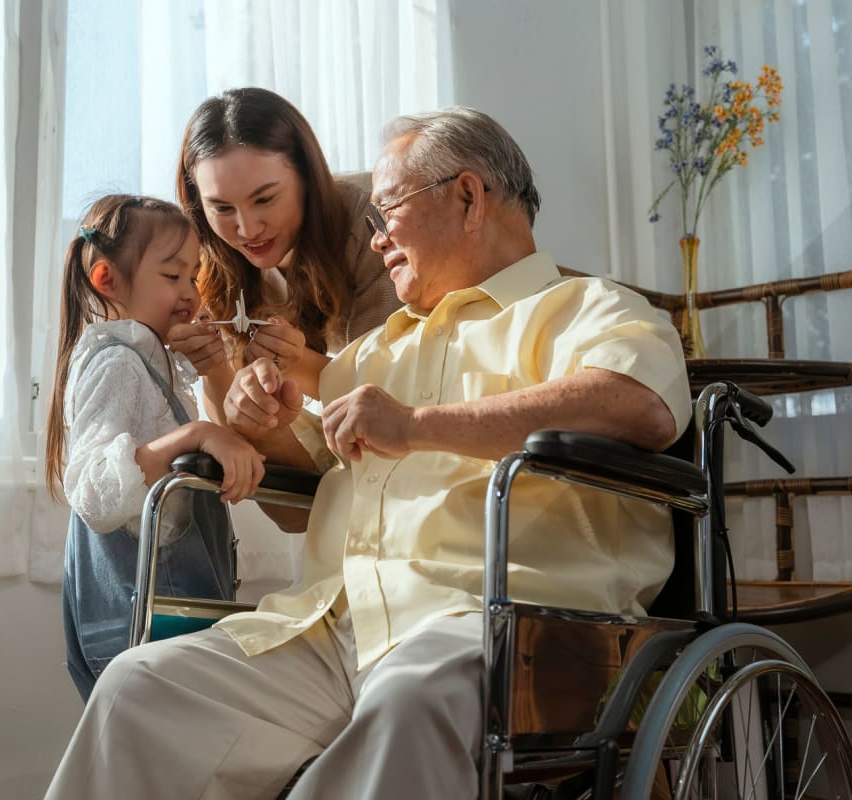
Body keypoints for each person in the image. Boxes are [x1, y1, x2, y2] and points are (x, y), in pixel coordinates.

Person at [44, 109, 691, 798]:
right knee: (139, 687)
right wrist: (253, 415)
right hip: (330, 627)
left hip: (494, 623)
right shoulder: (374, 353)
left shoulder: (589, 308)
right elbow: (301, 491)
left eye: (386, 214)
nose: (375, 239)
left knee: (409, 704)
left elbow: (637, 406)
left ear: (469, 197)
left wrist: (416, 424)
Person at [44, 194, 266, 703]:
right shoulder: (115, 364)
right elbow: (97, 494)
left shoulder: (146, 365)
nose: (190, 292)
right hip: (140, 623)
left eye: (193, 277)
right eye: (173, 277)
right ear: (107, 280)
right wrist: (196, 435)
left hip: (169, 618)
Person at [167, 87, 404, 422]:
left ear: (308, 177)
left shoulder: (375, 224)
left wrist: (298, 363)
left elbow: (390, 392)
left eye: (264, 199)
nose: (247, 229)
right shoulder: (211, 259)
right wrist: (214, 367)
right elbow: (235, 424)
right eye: (221, 208)